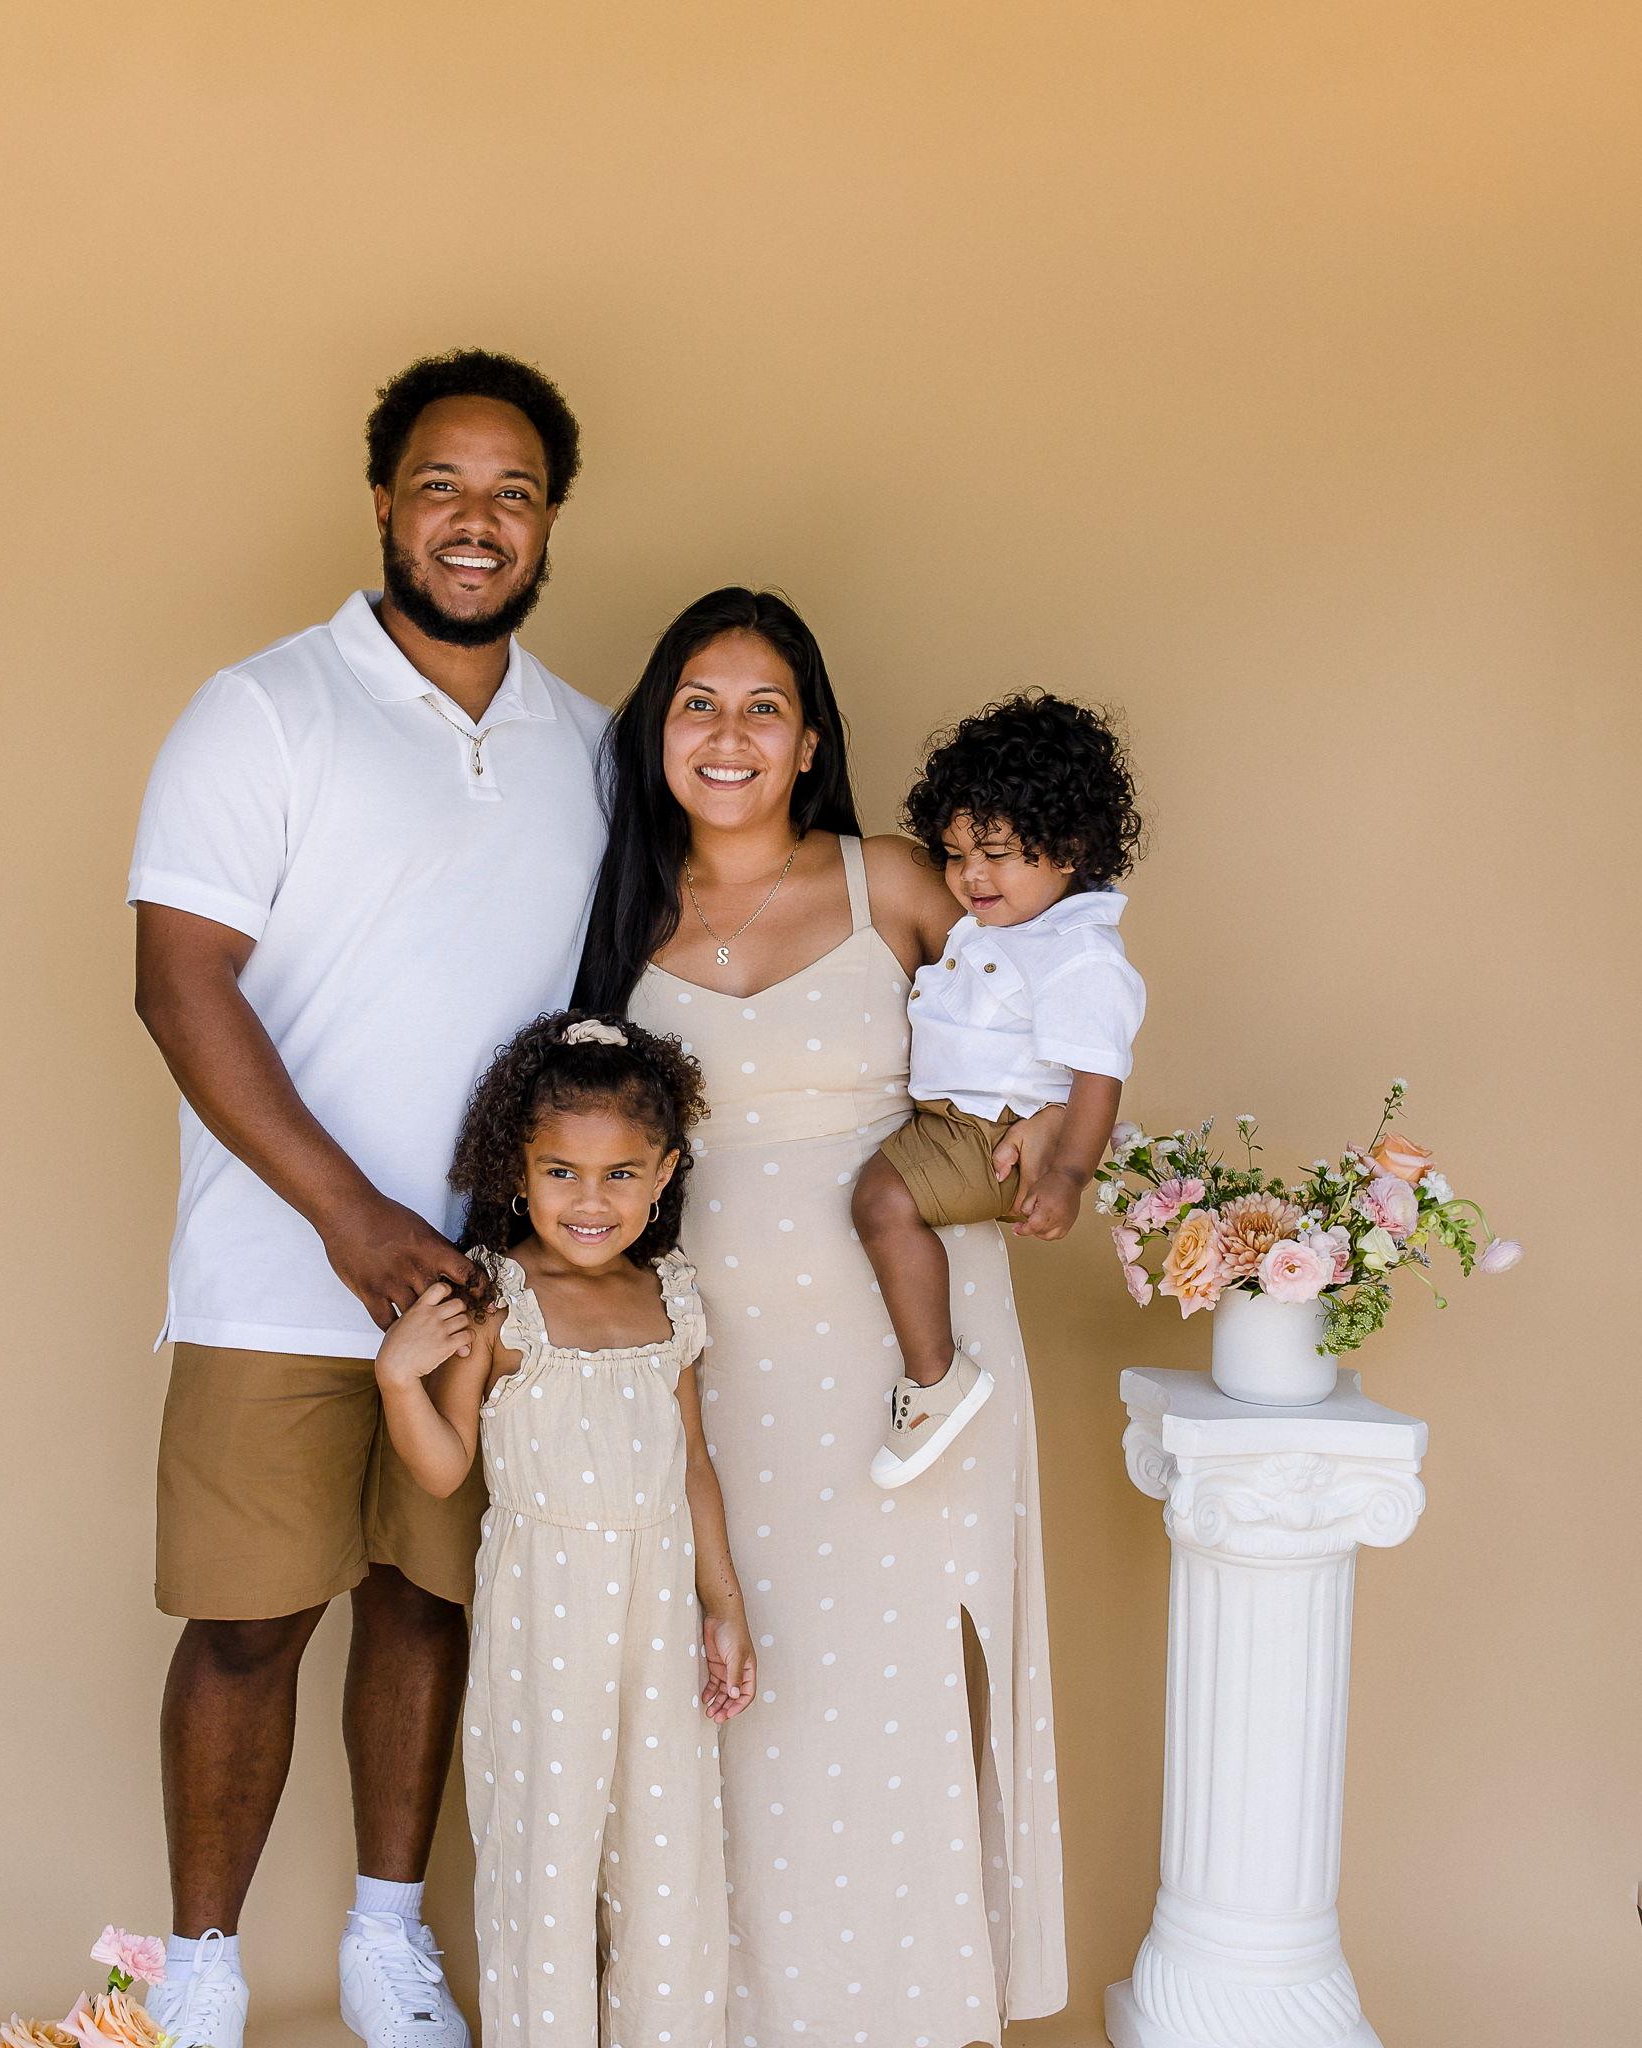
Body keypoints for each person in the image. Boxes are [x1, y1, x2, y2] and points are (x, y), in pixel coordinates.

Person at [127, 349, 607, 2048]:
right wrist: (349, 1222)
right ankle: (199, 1974)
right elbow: (179, 982)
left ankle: (385, 1947)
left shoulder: (590, 745)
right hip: (276, 1275)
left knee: (427, 1601)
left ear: (548, 524)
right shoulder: (262, 710)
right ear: (385, 503)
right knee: (247, 1624)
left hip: (487, 1290)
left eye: (512, 493)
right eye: (441, 485)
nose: (475, 521)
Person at [577, 588, 1070, 2046]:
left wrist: (1052, 1140)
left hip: (913, 1359)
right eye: (698, 704)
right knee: (744, 1684)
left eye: (764, 707)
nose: (728, 734)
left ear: (809, 741)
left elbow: (1050, 1009)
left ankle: (910, 2014)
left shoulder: (894, 881)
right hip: (720, 1370)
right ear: (658, 733)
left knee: (896, 1684)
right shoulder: (621, 912)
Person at [373, 1010, 754, 2047]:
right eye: (561, 1173)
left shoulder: (669, 1297)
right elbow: (444, 1468)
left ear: (664, 1172)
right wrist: (398, 1378)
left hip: (657, 1600)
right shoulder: (498, 1301)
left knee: (666, 1839)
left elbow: (693, 1464)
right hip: (546, 1606)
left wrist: (722, 1605)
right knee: (545, 1841)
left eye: (620, 1174)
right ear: (518, 1170)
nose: (590, 1202)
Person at [856, 693, 1147, 1487]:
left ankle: (935, 1377)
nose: (969, 875)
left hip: (990, 1133)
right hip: (956, 1118)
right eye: (954, 854)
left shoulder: (1079, 954)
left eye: (994, 853)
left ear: (1069, 847)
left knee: (880, 1205)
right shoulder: (1011, 925)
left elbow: (1098, 1076)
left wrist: (1068, 1175)